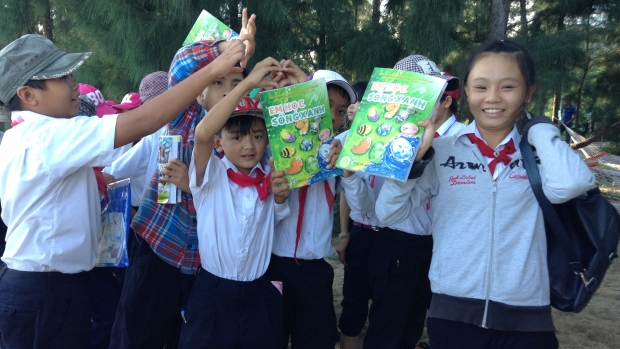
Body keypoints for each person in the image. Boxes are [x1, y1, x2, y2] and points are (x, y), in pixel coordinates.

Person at [0, 32, 247, 348]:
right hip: (46, 289)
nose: (74, 84)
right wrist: (213, 69)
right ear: (28, 94)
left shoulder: (21, 137)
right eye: (61, 77)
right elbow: (145, 120)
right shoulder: (48, 136)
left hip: (41, 285)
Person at [375, 40, 595, 349]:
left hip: (528, 321)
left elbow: (572, 185)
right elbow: (387, 213)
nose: (492, 98)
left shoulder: (539, 152)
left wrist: (541, 129)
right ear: (465, 91)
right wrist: (410, 162)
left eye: (507, 86)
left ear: (528, 91)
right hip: (453, 317)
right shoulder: (441, 152)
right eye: (481, 87)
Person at [109, 10, 257, 349]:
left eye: (236, 83)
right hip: (159, 247)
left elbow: (240, 200)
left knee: (186, 339)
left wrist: (192, 186)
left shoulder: (246, 139)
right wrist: (228, 49)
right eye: (216, 82)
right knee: (137, 334)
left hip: (203, 264)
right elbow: (180, 65)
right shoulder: (184, 116)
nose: (225, 90)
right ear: (199, 92)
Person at [338, 55, 458, 349]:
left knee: (411, 326)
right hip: (393, 244)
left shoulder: (453, 141)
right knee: (385, 328)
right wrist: (351, 175)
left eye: (436, 93)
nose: (431, 100)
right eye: (422, 92)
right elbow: (370, 209)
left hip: (430, 248)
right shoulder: (376, 139)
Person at [177, 58, 292, 348]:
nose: (249, 146)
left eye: (257, 136)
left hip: (258, 294)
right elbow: (202, 133)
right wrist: (248, 85)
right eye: (236, 136)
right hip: (213, 295)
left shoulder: (271, 178)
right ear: (219, 143)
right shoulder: (209, 176)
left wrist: (280, 198)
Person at [266, 66, 353, 349]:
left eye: (341, 111)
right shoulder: (276, 145)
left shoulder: (341, 151)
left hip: (315, 270)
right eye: (326, 105)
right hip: (273, 266)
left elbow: (359, 203)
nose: (334, 116)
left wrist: (347, 172)